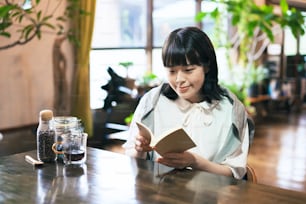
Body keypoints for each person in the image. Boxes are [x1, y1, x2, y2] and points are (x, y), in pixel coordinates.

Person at [123, 26, 254, 179]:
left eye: (188, 70)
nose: (179, 80)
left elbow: (235, 173)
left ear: (206, 66)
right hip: (158, 194)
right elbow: (132, 159)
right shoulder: (152, 101)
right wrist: (140, 149)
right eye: (171, 71)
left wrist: (195, 162)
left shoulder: (230, 109)